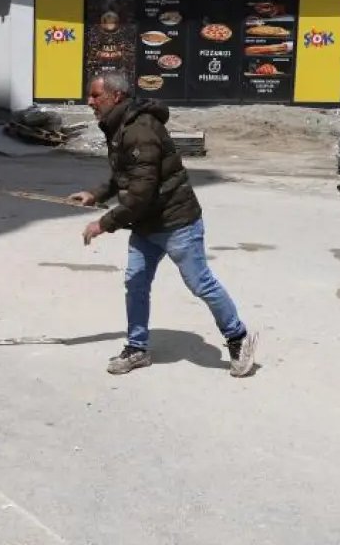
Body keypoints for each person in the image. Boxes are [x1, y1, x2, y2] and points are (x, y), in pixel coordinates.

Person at [68, 71, 257, 378]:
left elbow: (141, 193)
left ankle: (238, 337)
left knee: (200, 283)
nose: (89, 102)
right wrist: (95, 194)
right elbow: (125, 176)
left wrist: (103, 223)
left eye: (95, 96)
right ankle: (137, 348)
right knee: (136, 282)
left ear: (115, 96)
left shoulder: (139, 130)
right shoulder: (119, 125)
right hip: (146, 224)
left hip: (175, 221)